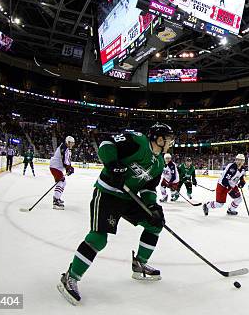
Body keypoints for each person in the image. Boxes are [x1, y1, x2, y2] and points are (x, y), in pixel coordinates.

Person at [57, 123, 174, 305]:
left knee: (155, 225)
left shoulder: (159, 163)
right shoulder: (138, 141)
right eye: (168, 139)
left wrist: (152, 206)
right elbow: (106, 145)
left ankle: (139, 264)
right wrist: (112, 165)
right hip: (108, 193)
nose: (170, 143)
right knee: (98, 239)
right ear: (159, 139)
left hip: (130, 198)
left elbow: (149, 187)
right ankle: (70, 276)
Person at [50, 136, 75, 210]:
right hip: (55, 167)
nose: (72, 145)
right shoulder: (64, 147)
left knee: (63, 183)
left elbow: (67, 160)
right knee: (61, 182)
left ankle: (57, 198)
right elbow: (64, 159)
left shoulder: (67, 148)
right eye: (70, 143)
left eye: (73, 143)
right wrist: (68, 168)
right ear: (67, 142)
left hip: (57, 168)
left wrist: (69, 167)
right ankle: (55, 201)